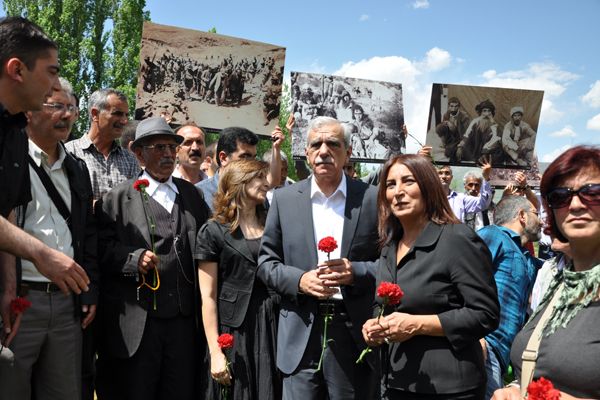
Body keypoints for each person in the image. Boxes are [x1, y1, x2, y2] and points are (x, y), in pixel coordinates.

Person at [258, 116, 380, 399]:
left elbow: (391, 262)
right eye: (316, 144)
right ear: (307, 152)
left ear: (348, 152)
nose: (324, 150)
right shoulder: (284, 199)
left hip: (353, 335)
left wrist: (356, 271)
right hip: (299, 333)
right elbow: (266, 264)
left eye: (333, 144)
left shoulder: (373, 199)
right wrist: (299, 280)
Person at [362, 154, 499, 400]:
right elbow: (380, 305)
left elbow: (485, 314)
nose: (398, 192)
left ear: (428, 186)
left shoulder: (456, 239)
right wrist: (375, 325)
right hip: (397, 382)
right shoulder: (388, 247)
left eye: (408, 181)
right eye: (391, 185)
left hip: (449, 388)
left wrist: (418, 324)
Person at [94, 117, 210, 400]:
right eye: (159, 147)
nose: (169, 154)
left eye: (172, 147)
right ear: (138, 153)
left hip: (183, 323)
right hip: (139, 323)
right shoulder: (117, 199)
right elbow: (99, 249)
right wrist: (132, 259)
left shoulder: (192, 196)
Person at [0, 79, 98, 400]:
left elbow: (88, 235)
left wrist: (88, 290)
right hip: (20, 304)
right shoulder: (9, 160)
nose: (67, 116)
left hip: (67, 304)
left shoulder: (78, 169)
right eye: (56, 106)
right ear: (28, 113)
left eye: (71, 108)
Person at [0, 16, 89, 339]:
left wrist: (9, 288)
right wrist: (40, 253)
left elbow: (5, 211)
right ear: (17, 70)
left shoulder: (10, 133)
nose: (56, 85)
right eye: (51, 72)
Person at [492, 145, 600, 399]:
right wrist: (516, 388)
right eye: (561, 196)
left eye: (592, 192)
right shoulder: (560, 283)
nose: (574, 204)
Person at [196, 159, 281, 399]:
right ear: (238, 183)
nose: (266, 183)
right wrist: (215, 351)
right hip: (234, 328)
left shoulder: (274, 223)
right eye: (259, 178)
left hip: (274, 320)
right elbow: (208, 297)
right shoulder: (212, 231)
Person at [477, 196, 543, 398]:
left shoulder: (528, 260)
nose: (541, 221)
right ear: (522, 216)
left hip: (502, 356)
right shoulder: (493, 235)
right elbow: (462, 279)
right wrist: (474, 336)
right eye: (536, 214)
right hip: (484, 345)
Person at [65, 88, 139, 201]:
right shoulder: (69, 152)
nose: (124, 121)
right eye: (117, 114)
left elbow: (136, 202)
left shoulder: (130, 159)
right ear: (95, 114)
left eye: (126, 115)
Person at [196, 126, 283, 213]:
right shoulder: (199, 194)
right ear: (223, 158)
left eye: (253, 158)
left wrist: (276, 148)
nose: (251, 164)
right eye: (245, 157)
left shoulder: (255, 194)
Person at [435, 97, 471, 162]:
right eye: (451, 106)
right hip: (451, 136)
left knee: (450, 153)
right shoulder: (447, 114)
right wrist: (448, 123)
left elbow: (467, 134)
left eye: (456, 106)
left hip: (460, 138)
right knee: (439, 127)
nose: (453, 108)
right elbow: (443, 127)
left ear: (459, 107)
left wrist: (460, 146)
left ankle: (456, 151)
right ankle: (447, 144)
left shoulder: (464, 117)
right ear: (449, 106)